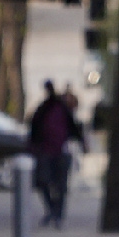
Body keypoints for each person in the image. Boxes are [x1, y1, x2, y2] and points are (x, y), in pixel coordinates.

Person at [28, 81, 76, 226]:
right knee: (52, 183)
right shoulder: (48, 109)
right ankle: (55, 212)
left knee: (56, 184)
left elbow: (72, 127)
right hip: (50, 150)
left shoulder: (50, 108)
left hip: (55, 151)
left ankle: (56, 213)